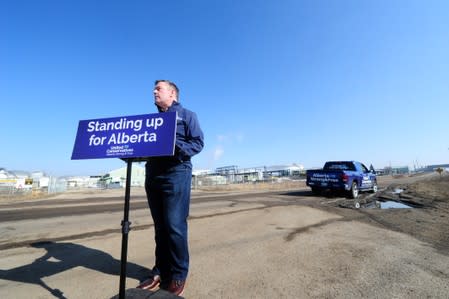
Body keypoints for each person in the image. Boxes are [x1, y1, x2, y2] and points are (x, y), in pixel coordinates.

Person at [137, 80, 204, 296]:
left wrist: (175, 146)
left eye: (159, 89)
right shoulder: (152, 122)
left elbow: (198, 143)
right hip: (153, 173)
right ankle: (160, 271)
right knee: (160, 228)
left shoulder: (187, 115)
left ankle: (177, 275)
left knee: (174, 226)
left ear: (172, 93)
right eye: (154, 89)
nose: (154, 91)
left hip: (176, 173)